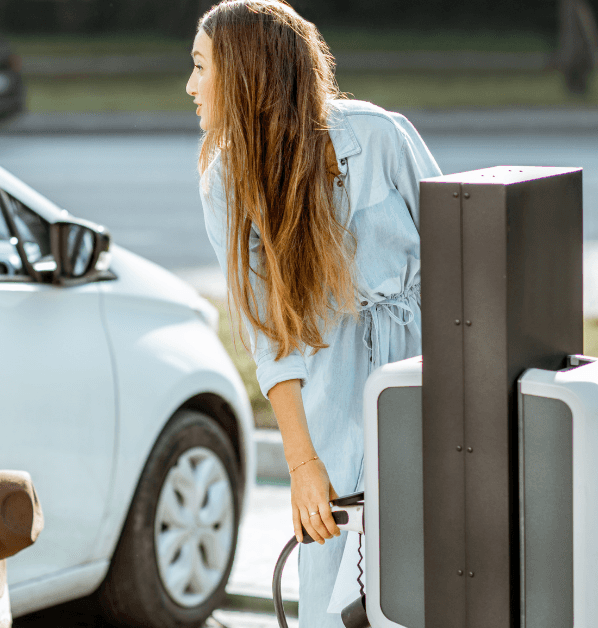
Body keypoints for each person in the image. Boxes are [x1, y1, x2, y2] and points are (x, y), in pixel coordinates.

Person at [187, 0, 441, 623]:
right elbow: (267, 335)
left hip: (421, 379)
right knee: (333, 599)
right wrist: (303, 464)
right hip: (329, 405)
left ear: (247, 76)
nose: (190, 86)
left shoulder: (380, 135)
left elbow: (461, 246)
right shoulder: (225, 182)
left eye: (200, 67)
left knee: (432, 577)